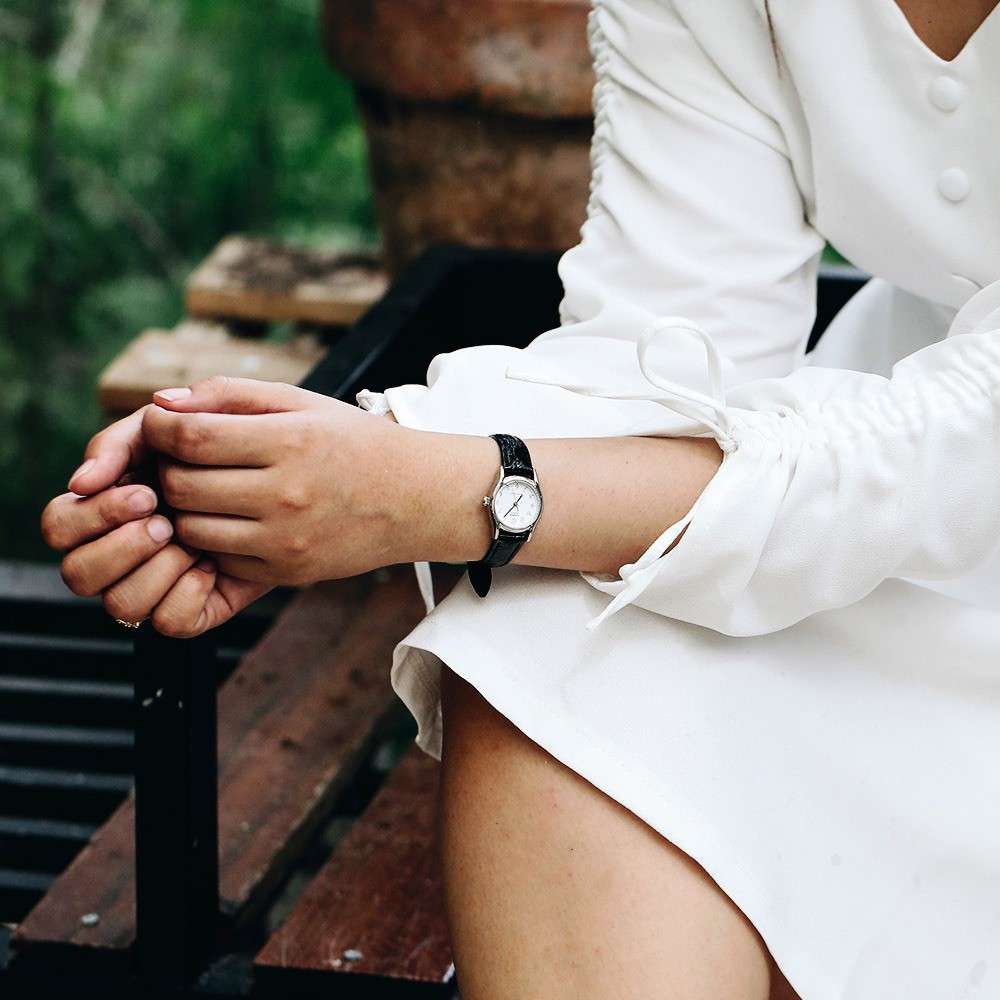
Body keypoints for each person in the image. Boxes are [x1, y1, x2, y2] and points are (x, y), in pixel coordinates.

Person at [42, 1, 1000, 996]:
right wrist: (271, 470)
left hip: (931, 499)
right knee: (549, 619)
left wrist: (423, 489)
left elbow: (969, 442)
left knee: (542, 543)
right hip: (857, 537)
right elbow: (667, 349)